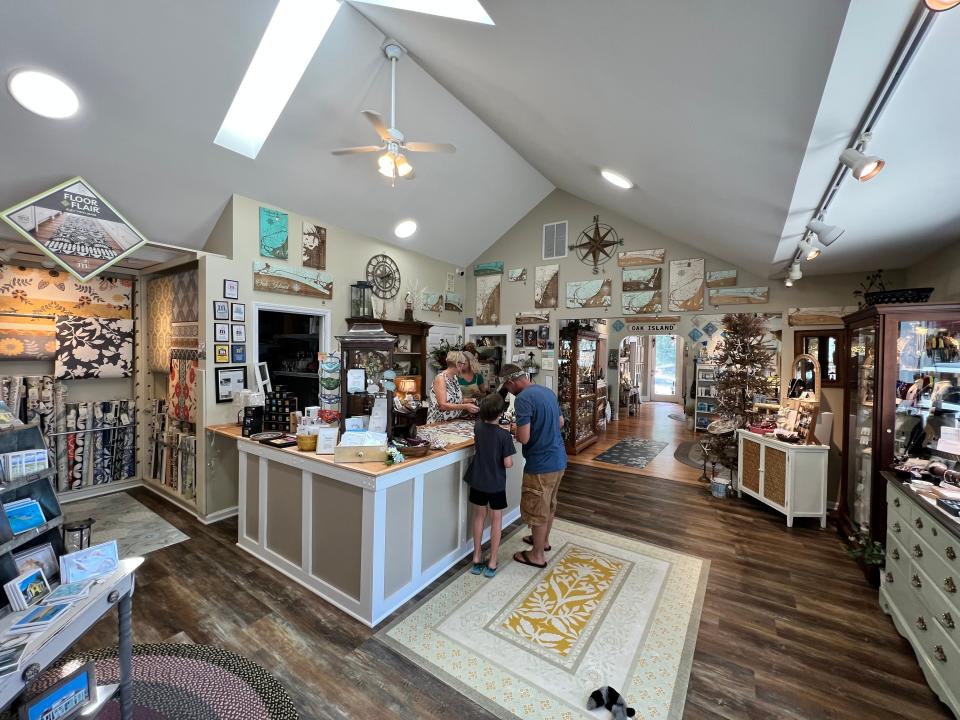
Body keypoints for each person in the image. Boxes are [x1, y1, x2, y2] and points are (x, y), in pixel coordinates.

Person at [500, 363, 566, 569]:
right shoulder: (547, 392)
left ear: (511, 382)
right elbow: (561, 422)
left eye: (506, 387)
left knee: (537, 508)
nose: (508, 391)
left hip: (540, 463)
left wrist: (513, 429)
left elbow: (524, 438)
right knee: (549, 504)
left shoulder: (523, 399)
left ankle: (537, 555)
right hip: (559, 459)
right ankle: (543, 541)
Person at [467, 393, 515, 578]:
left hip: (478, 479)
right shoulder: (504, 436)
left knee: (478, 516)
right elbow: (508, 463)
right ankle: (493, 560)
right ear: (501, 413)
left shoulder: (478, 427)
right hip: (496, 483)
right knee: (496, 520)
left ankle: (477, 557)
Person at [427, 350, 479, 424]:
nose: (464, 367)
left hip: (451, 421)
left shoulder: (454, 378)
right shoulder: (441, 378)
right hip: (438, 423)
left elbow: (455, 400)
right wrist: (465, 406)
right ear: (458, 364)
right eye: (463, 364)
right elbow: (443, 405)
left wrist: (471, 400)